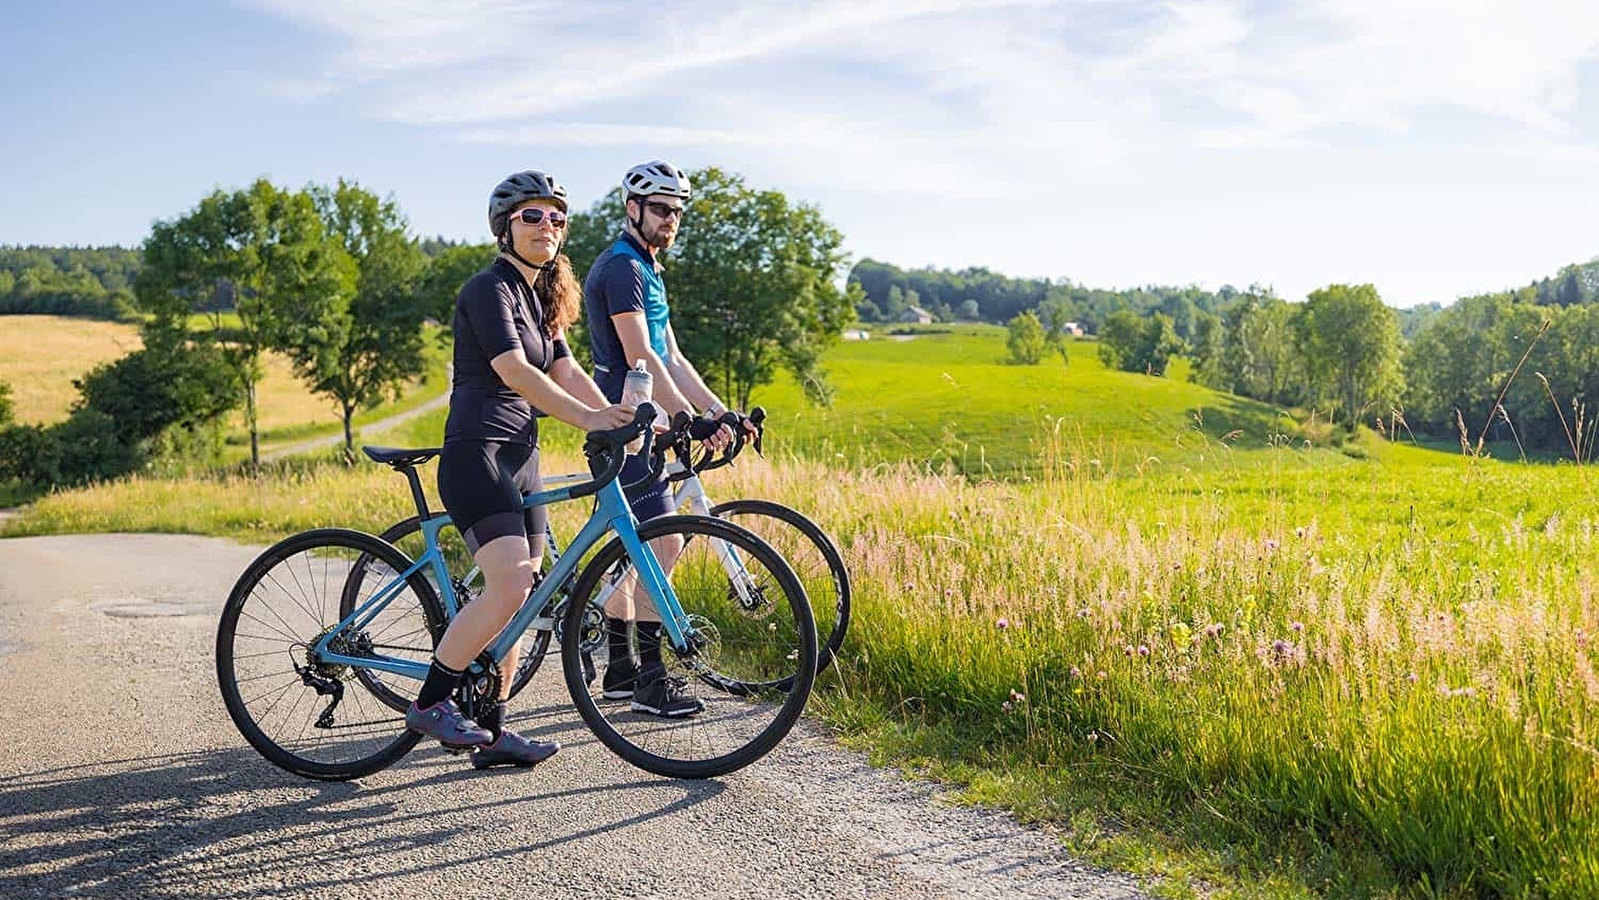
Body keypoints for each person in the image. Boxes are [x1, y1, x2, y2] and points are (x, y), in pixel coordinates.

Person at [405, 170, 636, 768]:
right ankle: (432, 701)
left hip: (522, 457)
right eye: (532, 215)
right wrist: (590, 421)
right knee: (509, 582)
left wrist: (623, 416)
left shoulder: (540, 300)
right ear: (505, 226)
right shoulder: (489, 290)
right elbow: (516, 372)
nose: (547, 226)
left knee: (526, 597)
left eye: (557, 217)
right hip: (478, 452)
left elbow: (563, 370)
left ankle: (493, 729)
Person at [582, 160, 754, 718]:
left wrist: (716, 410)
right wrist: (687, 419)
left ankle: (619, 670)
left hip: (649, 423)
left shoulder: (649, 271)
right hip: (628, 422)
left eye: (677, 212)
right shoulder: (622, 269)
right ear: (633, 209)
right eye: (661, 209)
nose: (670, 220)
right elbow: (642, 357)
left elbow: (674, 358)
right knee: (661, 544)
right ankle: (651, 681)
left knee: (644, 547)